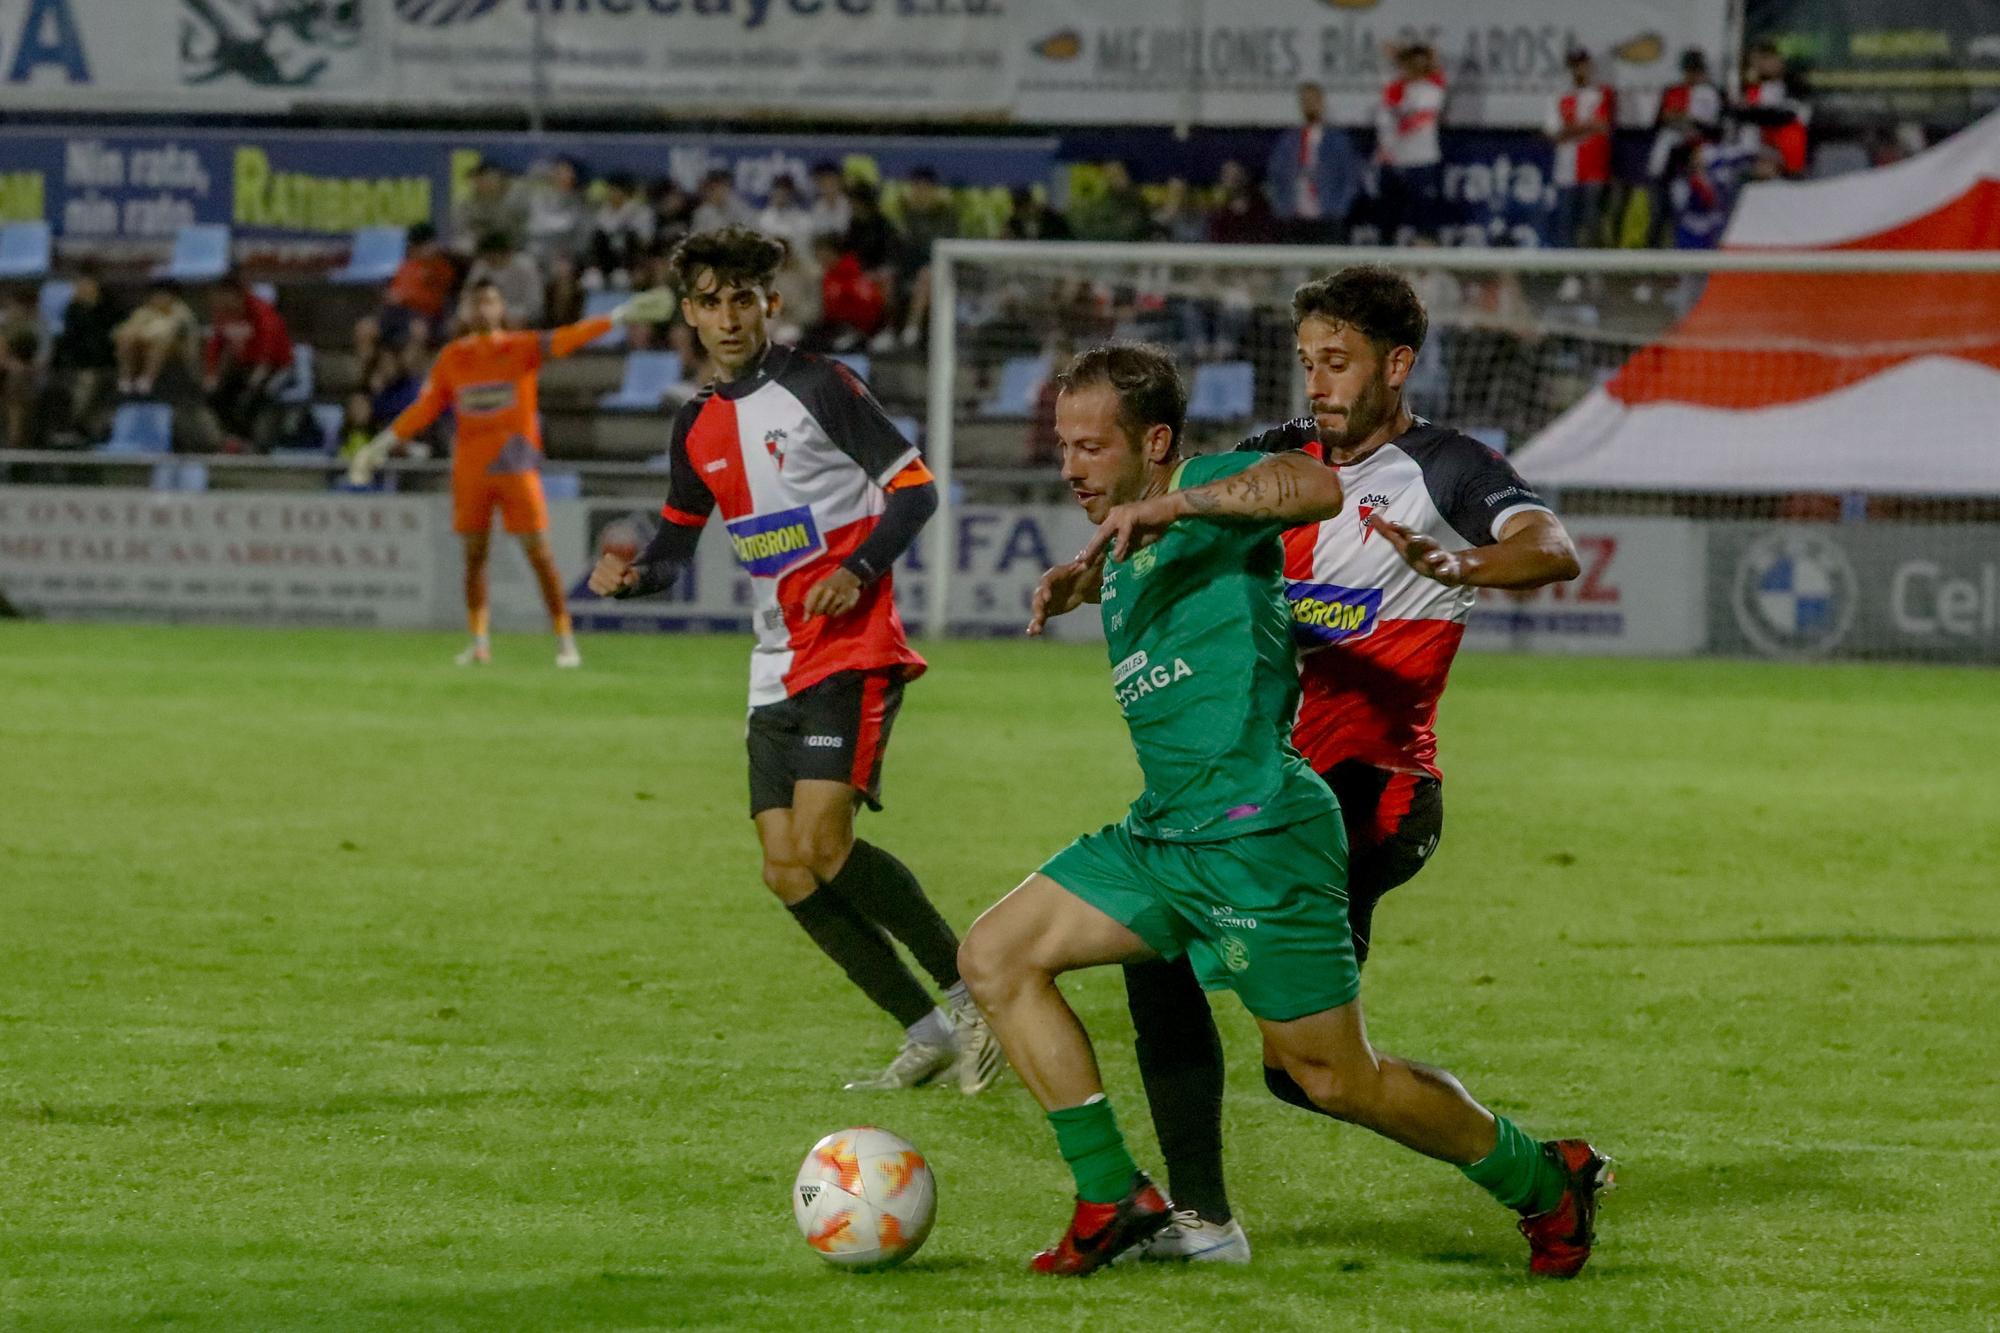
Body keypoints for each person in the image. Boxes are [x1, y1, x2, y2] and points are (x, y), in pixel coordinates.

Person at [965, 339, 1609, 1277]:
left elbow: (1313, 489)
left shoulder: (1211, 489)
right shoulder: (1128, 535)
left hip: (1258, 836)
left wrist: (1175, 500)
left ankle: (1548, 1180)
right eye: (1063, 446)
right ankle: (1112, 1193)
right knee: (994, 953)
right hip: (1163, 836)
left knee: (1329, 1078)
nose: (1069, 467)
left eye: (1091, 448)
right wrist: (1086, 574)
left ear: (1154, 442)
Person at [1116, 266, 1587, 1264]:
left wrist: (1458, 562)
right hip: (1268, 787)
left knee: (1265, 1027)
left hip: (1374, 790)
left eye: (1337, 363)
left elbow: (1548, 546)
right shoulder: (1277, 463)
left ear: (1396, 364)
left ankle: (1538, 1178)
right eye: (1306, 363)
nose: (1317, 383)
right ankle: (1205, 1217)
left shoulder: (1448, 468)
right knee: (1278, 1051)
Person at [585, 225, 1002, 1095]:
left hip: (852, 646)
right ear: (690, 314)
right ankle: (924, 1029)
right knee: (785, 866)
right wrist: (631, 577)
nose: (730, 316)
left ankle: (975, 997)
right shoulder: (697, 425)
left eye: (745, 298)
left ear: (768, 303)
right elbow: (676, 544)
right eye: (711, 301)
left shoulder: (822, 385)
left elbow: (916, 490)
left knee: (824, 840)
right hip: (773, 660)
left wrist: (857, 571)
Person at [348, 280, 675, 668]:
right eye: (476, 302)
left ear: (500, 308)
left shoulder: (520, 347)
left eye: (489, 301)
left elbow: (567, 339)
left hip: (516, 468)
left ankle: (565, 639)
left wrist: (616, 318)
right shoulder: (453, 358)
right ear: (466, 311)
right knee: (474, 557)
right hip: (470, 470)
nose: (483, 309)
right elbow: (425, 409)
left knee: (539, 555)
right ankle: (479, 642)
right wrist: (380, 445)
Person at [203, 274, 294, 447]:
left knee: (254, 397)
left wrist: (254, 382)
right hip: (244, 366)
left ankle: (253, 443)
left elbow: (268, 354)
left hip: (277, 366)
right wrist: (211, 375)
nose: (222, 304)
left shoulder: (262, 313)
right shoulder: (223, 314)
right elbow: (215, 346)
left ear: (237, 295)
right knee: (214, 396)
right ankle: (232, 437)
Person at [1266, 81, 1362, 243]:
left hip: (1327, 213)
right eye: (1305, 101)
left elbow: (1350, 176)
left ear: (1322, 103)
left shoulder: (1337, 140)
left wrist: (1339, 208)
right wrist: (1281, 206)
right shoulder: (1289, 140)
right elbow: (1275, 175)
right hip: (1295, 214)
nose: (1310, 105)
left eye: (1314, 101)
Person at [1647, 50, 1724, 245]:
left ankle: (1679, 260)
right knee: (1658, 213)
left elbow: (1713, 129)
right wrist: (1683, 120)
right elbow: (1661, 120)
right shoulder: (1673, 91)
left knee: (1684, 215)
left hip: (1695, 162)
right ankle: (1651, 265)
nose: (1693, 75)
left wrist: (1686, 121)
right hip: (1668, 163)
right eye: (1690, 70)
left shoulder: (1712, 94)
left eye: (1697, 70)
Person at [1374, 42, 1447, 242]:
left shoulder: (1432, 89)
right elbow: (1385, 122)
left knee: (1425, 222)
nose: (1416, 68)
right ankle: (1382, 271)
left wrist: (1424, 56)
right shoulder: (1394, 88)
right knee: (1387, 224)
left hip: (1421, 162)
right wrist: (1397, 57)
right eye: (1411, 63)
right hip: (1393, 162)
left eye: (1420, 63)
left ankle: (1428, 270)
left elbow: (1414, 117)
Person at [1546, 48, 1617, 248]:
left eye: (1584, 64)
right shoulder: (1560, 96)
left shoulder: (1600, 94)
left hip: (1594, 166)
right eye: (1576, 65)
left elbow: (1602, 127)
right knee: (1566, 220)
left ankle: (1592, 272)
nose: (1580, 70)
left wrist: (1570, 129)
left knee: (1592, 219)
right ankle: (1568, 273)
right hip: (1566, 168)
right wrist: (1585, 127)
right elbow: (1553, 133)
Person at [1736, 39, 1810, 178]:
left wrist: (1753, 113)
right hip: (1753, 152)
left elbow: (1790, 115)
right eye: (1755, 61)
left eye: (1765, 59)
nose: (1760, 65)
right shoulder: (1749, 88)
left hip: (1783, 153)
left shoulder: (1793, 85)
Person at [114, 281, 200, 397]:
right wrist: (135, 336)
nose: (159, 299)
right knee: (126, 337)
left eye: (163, 295)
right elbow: (129, 328)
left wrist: (145, 336)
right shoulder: (144, 311)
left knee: (162, 340)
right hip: (142, 347)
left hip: (173, 350)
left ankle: (147, 379)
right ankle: (126, 378)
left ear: (172, 297)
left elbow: (171, 331)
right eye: (156, 295)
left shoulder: (180, 311)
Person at [462, 232, 543, 330]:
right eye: (486, 257)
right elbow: (468, 295)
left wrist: (508, 316)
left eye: (492, 256)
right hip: (490, 317)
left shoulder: (525, 266)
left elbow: (534, 304)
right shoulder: (481, 266)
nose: (489, 260)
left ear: (506, 253)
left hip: (522, 319)